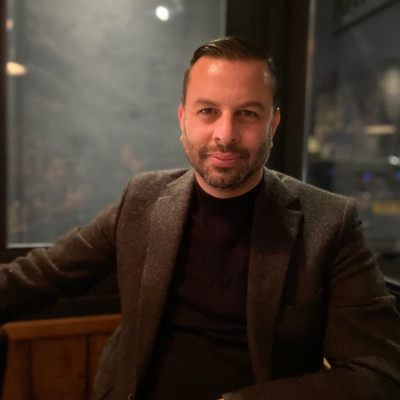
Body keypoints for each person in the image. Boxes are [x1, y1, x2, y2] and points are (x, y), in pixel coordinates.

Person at [1, 37, 400, 400]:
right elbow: (42, 274)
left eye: (247, 113)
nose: (225, 134)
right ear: (183, 118)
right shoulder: (142, 199)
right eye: (208, 111)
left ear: (273, 125)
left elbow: (378, 372)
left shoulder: (330, 223)